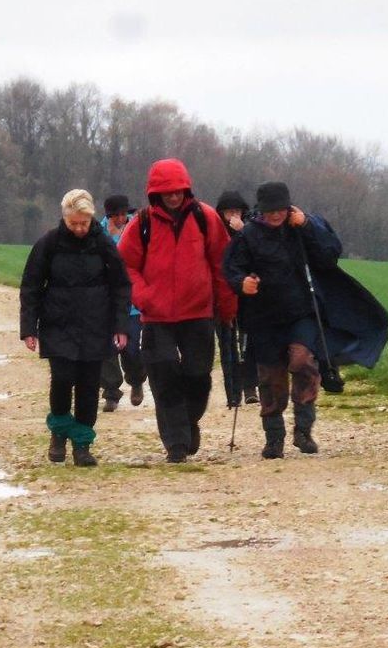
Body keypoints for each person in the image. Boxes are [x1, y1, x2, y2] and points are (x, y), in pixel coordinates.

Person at [223, 181, 388, 458]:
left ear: (288, 207)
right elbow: (231, 268)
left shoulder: (301, 228)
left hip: (301, 312)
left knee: (302, 362)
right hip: (263, 317)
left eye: (281, 210)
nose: (276, 215)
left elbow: (329, 255)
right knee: (272, 378)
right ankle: (274, 438)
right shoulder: (248, 235)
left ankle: (303, 430)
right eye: (270, 211)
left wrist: (308, 226)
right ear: (261, 210)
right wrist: (242, 283)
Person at [117, 158, 237, 463]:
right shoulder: (141, 224)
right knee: (163, 374)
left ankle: (188, 421)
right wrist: (144, 297)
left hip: (198, 313)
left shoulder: (205, 217)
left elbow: (221, 264)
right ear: (155, 193)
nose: (173, 196)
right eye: (167, 191)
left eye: (179, 190)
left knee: (199, 376)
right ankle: (177, 444)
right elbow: (125, 266)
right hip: (156, 317)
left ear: (187, 189)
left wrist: (227, 306)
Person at [20, 189, 132, 467]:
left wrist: (120, 325)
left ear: (91, 218)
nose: (80, 228)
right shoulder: (49, 243)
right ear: (65, 218)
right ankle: (59, 433)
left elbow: (121, 285)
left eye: (84, 223)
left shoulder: (103, 244)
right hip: (58, 323)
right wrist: (29, 328)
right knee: (61, 379)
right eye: (74, 224)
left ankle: (82, 443)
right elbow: (31, 286)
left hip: (96, 324)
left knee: (88, 385)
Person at [98, 194, 148, 412]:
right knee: (107, 349)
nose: (120, 218)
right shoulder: (98, 233)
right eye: (115, 215)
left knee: (130, 348)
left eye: (123, 214)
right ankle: (111, 392)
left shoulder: (137, 230)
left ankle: (136, 380)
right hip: (106, 302)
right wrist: (110, 238)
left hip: (132, 303)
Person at [214, 190, 260, 408]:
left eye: (237, 211)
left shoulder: (251, 229)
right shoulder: (215, 231)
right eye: (229, 212)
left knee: (248, 342)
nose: (233, 215)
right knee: (227, 345)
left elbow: (259, 258)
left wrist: (243, 233)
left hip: (248, 296)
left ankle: (250, 386)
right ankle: (233, 394)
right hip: (224, 295)